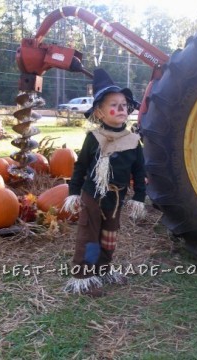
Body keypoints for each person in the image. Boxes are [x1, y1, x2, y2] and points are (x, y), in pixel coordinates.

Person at [62, 68, 147, 297]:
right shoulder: (94, 139)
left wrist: (139, 196)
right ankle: (85, 278)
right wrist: (74, 192)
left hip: (115, 197)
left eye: (123, 104)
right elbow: (80, 166)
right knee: (90, 236)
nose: (120, 109)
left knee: (109, 235)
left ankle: (103, 269)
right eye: (114, 104)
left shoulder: (132, 142)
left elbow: (139, 172)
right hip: (92, 195)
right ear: (100, 113)